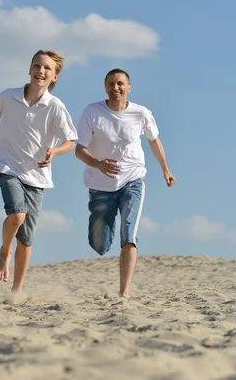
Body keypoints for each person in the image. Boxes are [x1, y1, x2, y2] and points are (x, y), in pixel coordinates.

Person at [0, 50, 77, 294]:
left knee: (27, 238)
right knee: (17, 215)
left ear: (54, 77)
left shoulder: (55, 107)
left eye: (47, 68)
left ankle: (17, 290)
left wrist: (54, 152)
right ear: (29, 69)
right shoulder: (8, 96)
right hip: (7, 165)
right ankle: (5, 251)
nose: (40, 71)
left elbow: (71, 140)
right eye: (37, 65)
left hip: (36, 175)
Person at [75, 68, 176, 299]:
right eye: (111, 83)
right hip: (101, 186)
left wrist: (166, 170)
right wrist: (98, 164)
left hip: (132, 180)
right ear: (105, 87)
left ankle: (124, 293)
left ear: (129, 87)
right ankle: (103, 239)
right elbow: (79, 149)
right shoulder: (92, 112)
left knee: (129, 234)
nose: (115, 88)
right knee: (99, 244)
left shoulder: (141, 113)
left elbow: (154, 141)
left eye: (120, 83)